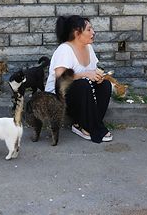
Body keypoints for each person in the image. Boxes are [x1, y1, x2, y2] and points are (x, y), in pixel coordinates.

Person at [45, 15, 113, 143]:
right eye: (89, 30)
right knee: (82, 84)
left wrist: (97, 77)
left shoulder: (88, 47)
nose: (93, 32)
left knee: (105, 85)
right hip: (59, 95)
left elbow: (91, 71)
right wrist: (86, 74)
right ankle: (90, 127)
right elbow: (60, 78)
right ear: (77, 33)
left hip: (82, 93)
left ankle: (84, 124)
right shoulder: (64, 49)